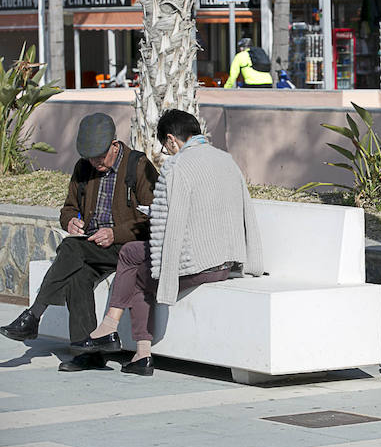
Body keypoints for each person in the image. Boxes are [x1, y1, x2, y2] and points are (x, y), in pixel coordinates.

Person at [74, 109, 264, 376]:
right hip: (226, 260)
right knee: (129, 251)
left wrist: (163, 271)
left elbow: (166, 225)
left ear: (172, 139)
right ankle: (112, 330)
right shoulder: (227, 160)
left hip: (196, 264)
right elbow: (245, 210)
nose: (167, 152)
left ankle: (137, 350)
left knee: (141, 277)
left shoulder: (177, 167)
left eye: (165, 146)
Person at [0, 113, 157, 372]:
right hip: (92, 245)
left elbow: (152, 217)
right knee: (77, 275)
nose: (96, 162)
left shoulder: (138, 166)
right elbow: (68, 209)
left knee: (72, 248)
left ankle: (33, 316)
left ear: (114, 145)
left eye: (100, 156)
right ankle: (88, 351)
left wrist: (115, 234)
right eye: (91, 157)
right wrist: (71, 221)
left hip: (128, 247)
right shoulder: (84, 167)